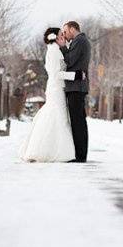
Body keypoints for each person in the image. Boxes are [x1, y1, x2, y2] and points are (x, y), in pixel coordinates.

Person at [18, 28, 84, 163]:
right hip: (56, 88)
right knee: (57, 116)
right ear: (54, 38)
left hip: (57, 88)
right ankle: (48, 150)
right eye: (61, 35)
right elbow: (56, 74)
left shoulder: (55, 50)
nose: (63, 37)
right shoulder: (53, 52)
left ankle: (52, 149)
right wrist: (75, 76)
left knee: (57, 116)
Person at [60, 21, 91, 163]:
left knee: (78, 122)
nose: (64, 35)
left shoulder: (80, 41)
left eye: (65, 32)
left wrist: (62, 48)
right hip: (76, 87)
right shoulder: (79, 41)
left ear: (73, 29)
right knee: (78, 121)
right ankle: (80, 154)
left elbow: (70, 61)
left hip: (77, 88)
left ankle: (80, 156)